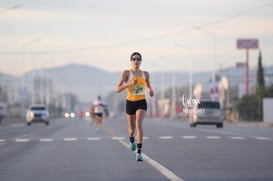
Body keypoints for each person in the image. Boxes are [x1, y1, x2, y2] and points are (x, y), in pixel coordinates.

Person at [116, 52, 154, 161]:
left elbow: (147, 86)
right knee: (131, 129)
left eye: (138, 59)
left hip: (141, 101)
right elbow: (117, 89)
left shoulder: (145, 74)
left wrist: (150, 90)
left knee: (138, 124)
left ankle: (139, 152)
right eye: (134, 59)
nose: (136, 61)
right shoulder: (126, 73)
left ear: (141, 61)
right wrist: (129, 84)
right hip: (130, 102)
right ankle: (131, 139)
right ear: (131, 61)